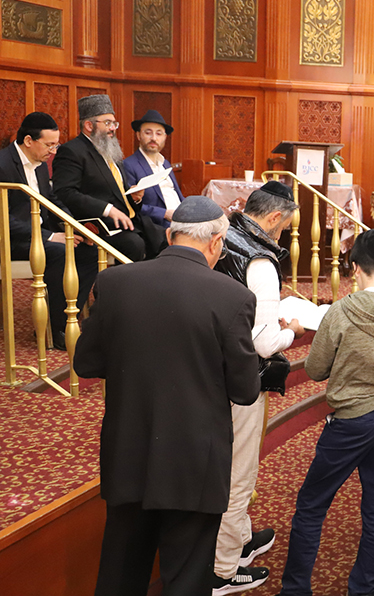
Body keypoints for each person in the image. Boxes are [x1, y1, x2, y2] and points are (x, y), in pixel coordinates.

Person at [75, 196, 260, 596]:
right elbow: (245, 391)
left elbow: (86, 364)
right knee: (187, 579)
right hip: (195, 463)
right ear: (216, 242)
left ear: (171, 235)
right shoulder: (232, 296)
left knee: (120, 575)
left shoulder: (114, 283)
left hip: (129, 454)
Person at [278, 228, 374, 596]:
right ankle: (364, 587)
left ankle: (295, 589)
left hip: (350, 420)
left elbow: (315, 369)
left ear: (356, 268)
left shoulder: (341, 312)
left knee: (312, 506)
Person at [211, 181, 304, 594]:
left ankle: (241, 539)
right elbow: (263, 343)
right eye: (284, 227)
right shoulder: (261, 261)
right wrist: (293, 331)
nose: (282, 234)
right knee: (239, 473)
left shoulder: (222, 235)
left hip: (211, 365)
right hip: (242, 377)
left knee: (229, 464)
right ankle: (224, 569)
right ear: (273, 218)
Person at [0, 112, 98, 350]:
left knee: (90, 253)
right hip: (11, 239)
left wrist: (74, 226)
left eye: (56, 145)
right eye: (49, 145)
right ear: (28, 141)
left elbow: (51, 200)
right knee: (59, 252)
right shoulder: (2, 164)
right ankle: (54, 329)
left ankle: (66, 319)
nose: (53, 152)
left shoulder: (40, 164)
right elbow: (3, 219)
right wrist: (48, 236)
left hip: (39, 235)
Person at [52, 95, 165, 262]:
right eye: (107, 123)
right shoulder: (72, 151)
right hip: (101, 226)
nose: (113, 128)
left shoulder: (111, 149)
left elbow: (116, 191)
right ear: (89, 125)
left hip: (130, 222)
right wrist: (107, 209)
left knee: (170, 239)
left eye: (114, 123)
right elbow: (65, 193)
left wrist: (134, 198)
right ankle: (119, 280)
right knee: (135, 244)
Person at [123, 109, 184, 228]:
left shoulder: (165, 163)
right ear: (138, 135)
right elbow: (130, 204)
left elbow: (177, 195)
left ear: (165, 137)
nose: (154, 138)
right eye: (148, 133)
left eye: (159, 134)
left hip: (183, 219)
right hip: (160, 225)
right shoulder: (129, 165)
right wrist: (164, 214)